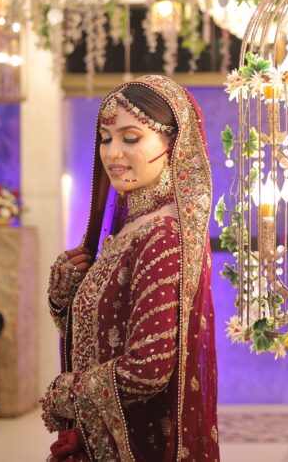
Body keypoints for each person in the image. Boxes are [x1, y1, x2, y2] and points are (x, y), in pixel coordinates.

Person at [41, 75, 219, 462]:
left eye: (131, 138)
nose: (113, 153)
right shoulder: (130, 227)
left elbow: (148, 369)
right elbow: (102, 333)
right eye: (106, 138)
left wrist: (68, 392)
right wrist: (64, 298)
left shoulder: (162, 235)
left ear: (173, 143)